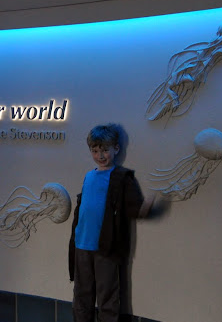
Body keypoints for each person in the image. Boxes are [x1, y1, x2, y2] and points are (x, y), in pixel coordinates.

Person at [68, 124, 155, 322]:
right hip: (81, 245)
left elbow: (134, 207)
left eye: (105, 150)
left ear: (116, 148)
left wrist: (146, 209)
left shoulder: (121, 177)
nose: (100, 155)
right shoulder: (89, 176)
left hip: (106, 248)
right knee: (81, 294)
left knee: (107, 295)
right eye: (95, 151)